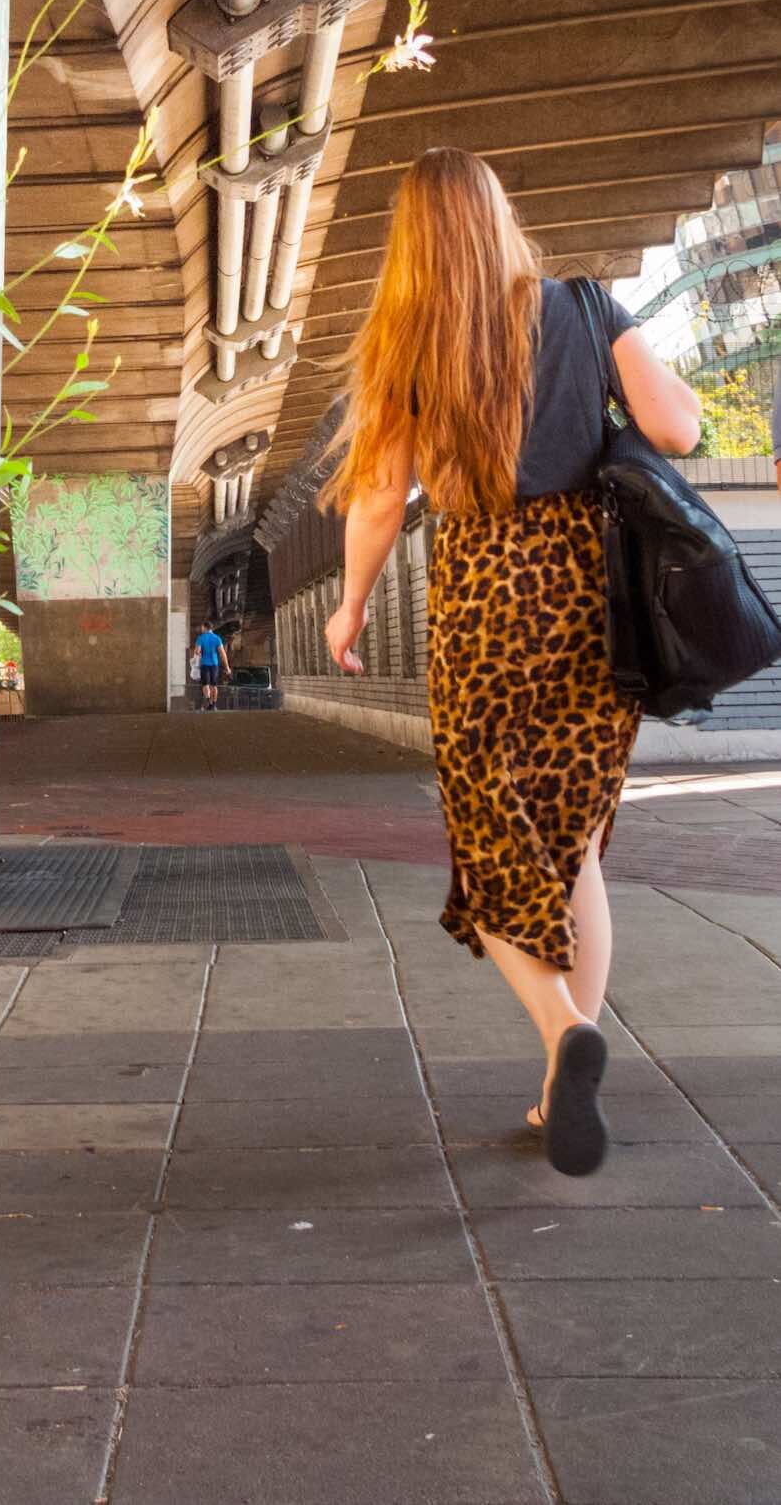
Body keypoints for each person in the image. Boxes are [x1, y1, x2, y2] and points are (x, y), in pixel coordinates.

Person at [324, 148, 700, 1176]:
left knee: (493, 847)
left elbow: (375, 499)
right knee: (569, 841)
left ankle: (560, 1031)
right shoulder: (584, 305)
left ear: (411, 243)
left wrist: (350, 606)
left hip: (484, 597)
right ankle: (556, 1084)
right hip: (590, 596)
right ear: (497, 217)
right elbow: (677, 424)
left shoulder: (409, 347)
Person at [194, 622, 229, 708]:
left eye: (202, 627)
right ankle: (214, 703)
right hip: (214, 664)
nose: (201, 629)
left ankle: (209, 701)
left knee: (205, 684)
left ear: (205, 627)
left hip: (204, 664)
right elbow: (222, 654)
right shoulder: (217, 638)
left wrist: (200, 653)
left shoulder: (201, 638)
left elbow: (197, 652)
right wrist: (227, 667)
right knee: (214, 685)